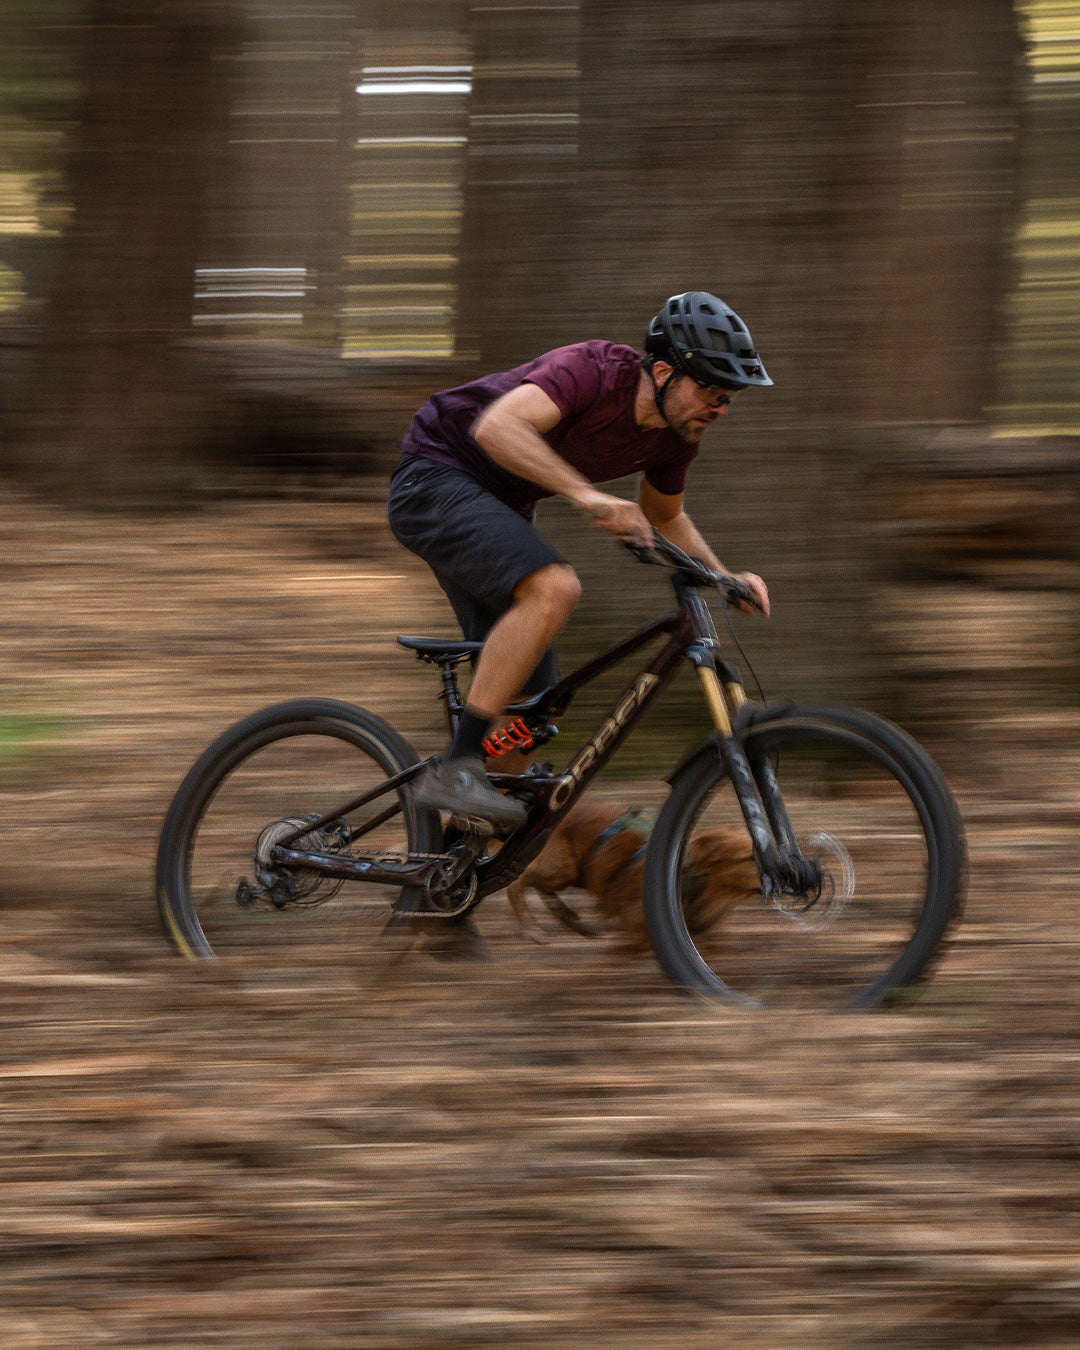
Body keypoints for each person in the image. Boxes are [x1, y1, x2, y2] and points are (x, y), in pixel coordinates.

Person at [387, 290, 773, 832]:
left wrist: (724, 575)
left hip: (497, 507)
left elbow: (663, 514)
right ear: (662, 371)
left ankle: (449, 874)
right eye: (711, 387)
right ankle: (458, 767)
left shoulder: (675, 436)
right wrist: (587, 496)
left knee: (533, 712)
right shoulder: (590, 370)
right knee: (556, 587)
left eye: (729, 394)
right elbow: (497, 427)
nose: (722, 405)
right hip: (433, 478)